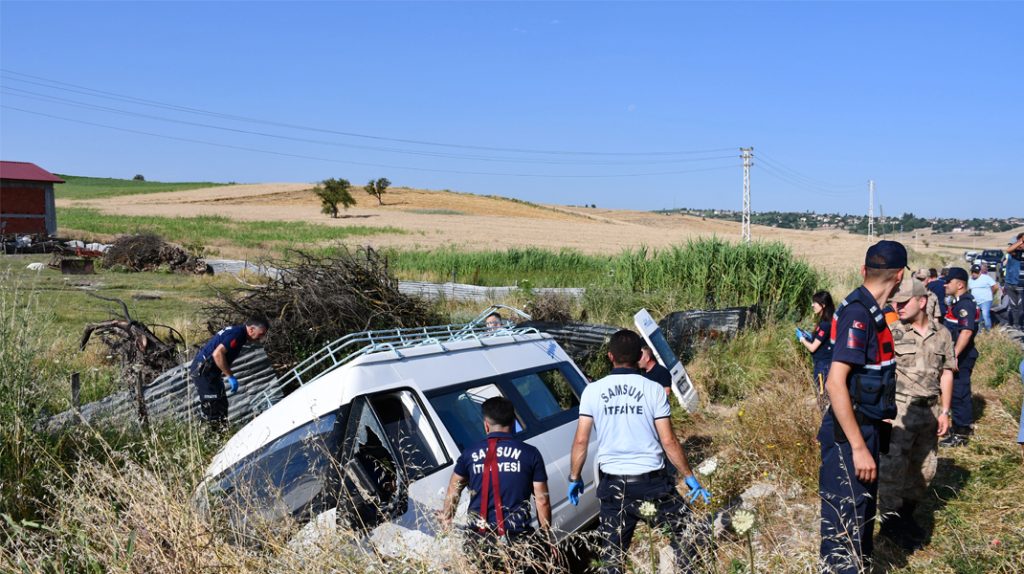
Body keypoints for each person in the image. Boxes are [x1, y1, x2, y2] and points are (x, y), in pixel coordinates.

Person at [567, 329, 710, 574]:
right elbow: (669, 441)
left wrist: (574, 477)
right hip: (652, 484)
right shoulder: (653, 389)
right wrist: (689, 477)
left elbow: (581, 441)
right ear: (638, 356)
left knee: (613, 559)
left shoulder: (592, 391)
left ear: (610, 356)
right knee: (688, 535)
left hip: (613, 487)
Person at [818, 240, 905, 574]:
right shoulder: (859, 314)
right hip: (848, 435)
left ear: (864, 270)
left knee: (861, 519)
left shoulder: (869, 310)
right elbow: (835, 382)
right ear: (898, 276)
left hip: (865, 428)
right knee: (843, 526)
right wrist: (858, 447)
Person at [877, 278, 954, 551]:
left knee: (924, 468)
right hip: (900, 410)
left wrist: (945, 410)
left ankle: (906, 518)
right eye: (895, 302)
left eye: (904, 302)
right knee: (892, 468)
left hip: (931, 409)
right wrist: (881, 410)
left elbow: (946, 372)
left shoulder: (943, 333)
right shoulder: (892, 332)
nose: (897, 307)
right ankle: (889, 524)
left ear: (922, 302)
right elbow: (881, 374)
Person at [440, 396, 553, 571]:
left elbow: (453, 488)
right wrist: (547, 538)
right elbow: (542, 500)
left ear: (486, 425)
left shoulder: (469, 454)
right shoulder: (530, 453)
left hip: (478, 540)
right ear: (514, 422)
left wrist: (447, 517)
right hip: (517, 540)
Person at [190, 318, 269, 425]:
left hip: (212, 372)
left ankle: (222, 432)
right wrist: (230, 376)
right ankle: (210, 434)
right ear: (251, 330)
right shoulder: (238, 334)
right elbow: (217, 354)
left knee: (222, 404)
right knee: (213, 406)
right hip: (203, 371)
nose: (261, 338)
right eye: (261, 334)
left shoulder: (238, 333)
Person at [942, 267, 980, 447]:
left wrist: (954, 355)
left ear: (959, 284)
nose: (945, 284)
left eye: (948, 282)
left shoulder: (965, 304)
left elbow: (966, 332)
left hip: (962, 356)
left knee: (959, 393)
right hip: (958, 354)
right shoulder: (958, 302)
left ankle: (961, 433)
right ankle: (959, 427)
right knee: (958, 391)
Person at [799, 290, 835, 405]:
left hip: (823, 366)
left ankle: (826, 420)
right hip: (823, 364)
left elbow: (813, 348)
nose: (812, 305)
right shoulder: (825, 321)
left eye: (815, 303)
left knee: (823, 398)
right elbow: (821, 340)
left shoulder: (825, 324)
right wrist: (809, 336)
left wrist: (802, 339)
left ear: (823, 305)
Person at [1003, 233, 1024, 329]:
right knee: (1014, 306)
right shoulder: (1014, 253)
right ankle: (1016, 324)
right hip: (1010, 283)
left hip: (1021, 285)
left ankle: (1019, 324)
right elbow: (1008, 250)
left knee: (1021, 306)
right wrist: (1020, 241)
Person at [968, 264, 997, 331]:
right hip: (975, 302)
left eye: (976, 272)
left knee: (985, 315)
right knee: (977, 317)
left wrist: (992, 294)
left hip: (986, 300)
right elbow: (969, 290)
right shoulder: (970, 280)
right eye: (973, 272)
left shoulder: (986, 278)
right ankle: (979, 331)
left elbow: (995, 287)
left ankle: (988, 330)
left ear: (980, 272)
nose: (974, 274)